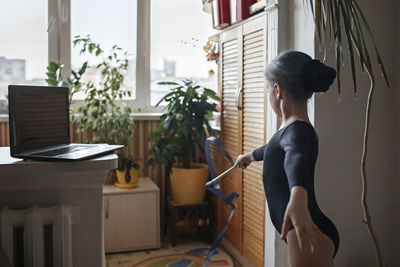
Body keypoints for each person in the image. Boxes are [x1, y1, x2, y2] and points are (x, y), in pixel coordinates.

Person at [235, 51, 339, 267]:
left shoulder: (299, 132)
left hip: (308, 230)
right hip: (306, 227)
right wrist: (251, 156)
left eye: (267, 90)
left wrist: (298, 196)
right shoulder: (293, 128)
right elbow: (277, 148)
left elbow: (296, 157)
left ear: (277, 90)